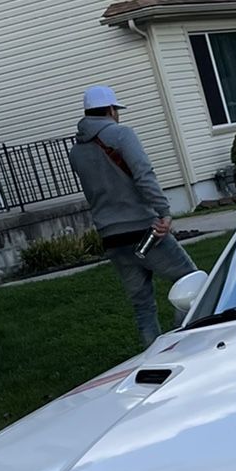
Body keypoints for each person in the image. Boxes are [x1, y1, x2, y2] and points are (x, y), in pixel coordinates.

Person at [69, 86, 196, 348]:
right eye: (116, 111)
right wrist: (164, 213)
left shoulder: (76, 152)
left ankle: (154, 354)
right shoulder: (121, 135)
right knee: (192, 284)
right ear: (111, 110)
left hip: (112, 237)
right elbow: (143, 174)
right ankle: (183, 345)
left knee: (142, 304)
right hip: (144, 231)